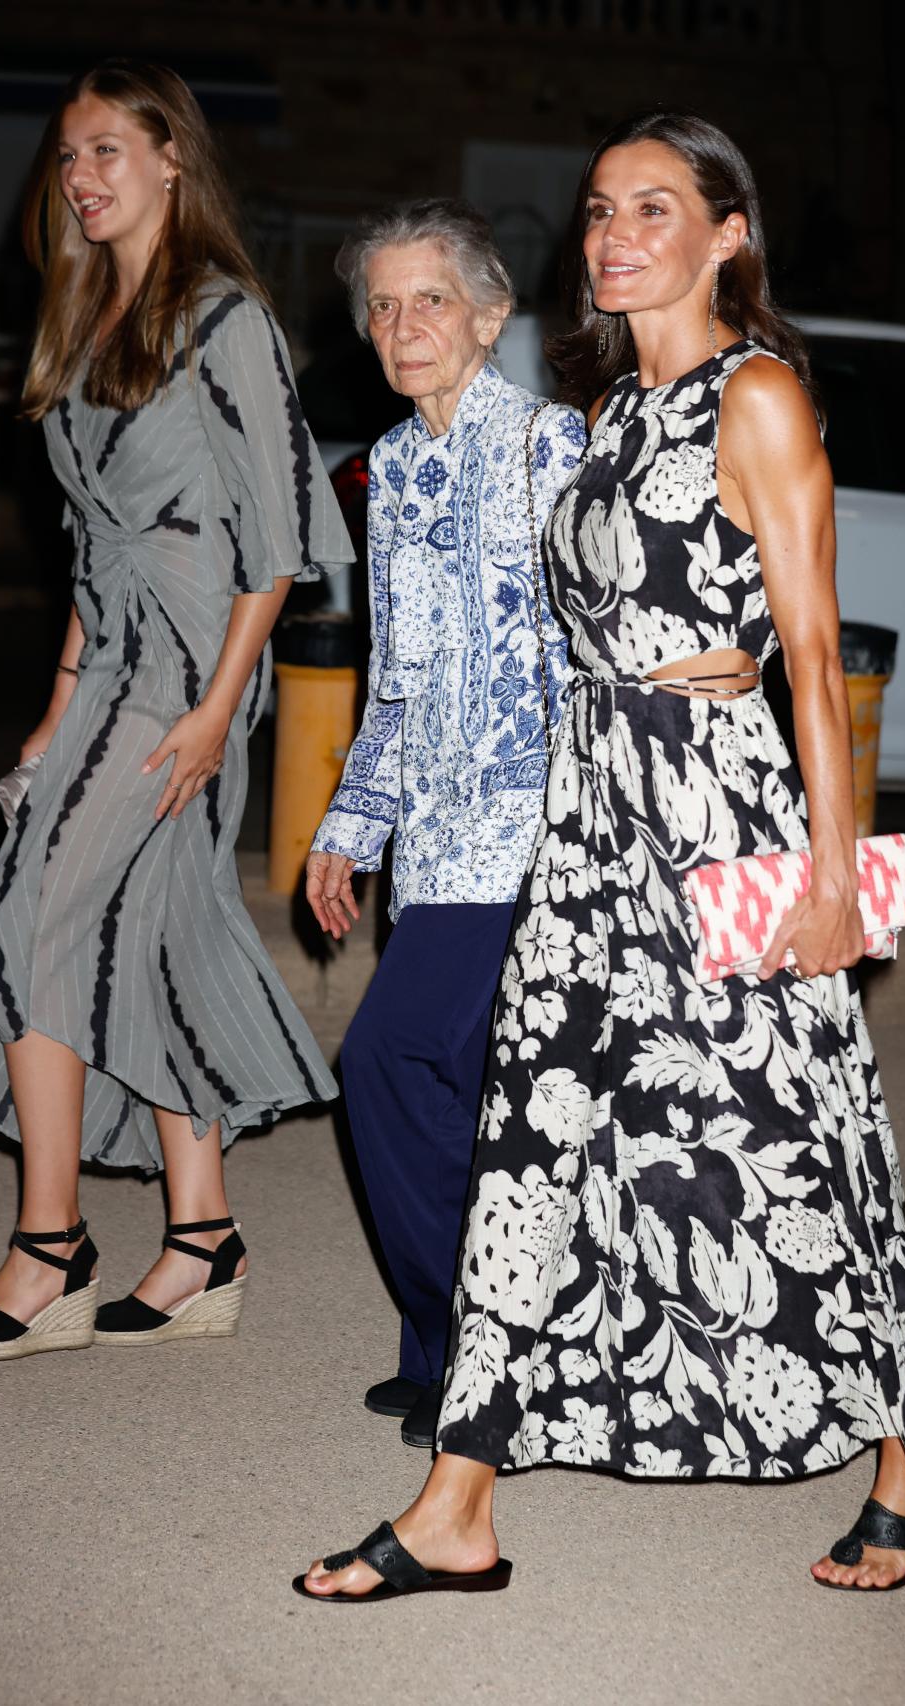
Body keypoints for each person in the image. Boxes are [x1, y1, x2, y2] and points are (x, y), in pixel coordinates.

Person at [296, 112, 905, 1600]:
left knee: (803, 1137)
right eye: (598, 208)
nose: (612, 233)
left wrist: (838, 875)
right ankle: (459, 1495)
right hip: (587, 826)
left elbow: (804, 645)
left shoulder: (760, 395)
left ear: (729, 233)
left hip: (721, 813)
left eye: (654, 208)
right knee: (536, 1136)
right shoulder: (605, 419)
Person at [0, 59, 353, 1359]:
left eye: (106, 151)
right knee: (141, 924)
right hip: (116, 656)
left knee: (31, 910)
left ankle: (49, 1247)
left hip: (192, 660)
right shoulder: (86, 317)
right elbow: (93, 542)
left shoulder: (222, 317)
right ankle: (201, 1238)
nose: (80, 177)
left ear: (170, 160)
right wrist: (54, 705)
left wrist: (214, 708)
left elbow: (278, 533)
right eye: (69, 156)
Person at [306, 199, 586, 1448]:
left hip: (527, 830)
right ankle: (446, 1352)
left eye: (430, 300)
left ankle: (484, 1351)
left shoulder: (550, 446)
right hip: (431, 838)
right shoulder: (395, 463)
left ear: (488, 315)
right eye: (382, 303)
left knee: (380, 1060)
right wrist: (349, 829)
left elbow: (592, 650)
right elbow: (398, 678)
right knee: (470, 1097)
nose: (402, 324)